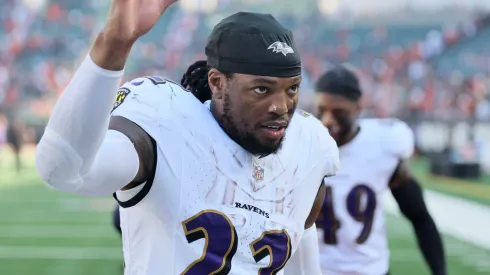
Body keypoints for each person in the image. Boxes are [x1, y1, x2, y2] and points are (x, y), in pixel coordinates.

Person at [35, 0, 340, 274]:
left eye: (292, 89)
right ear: (218, 83)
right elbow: (63, 170)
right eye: (262, 89)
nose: (280, 106)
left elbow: (303, 249)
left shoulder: (307, 148)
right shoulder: (168, 124)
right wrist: (114, 44)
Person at [313, 65, 446, 275]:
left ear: (358, 107)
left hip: (370, 270)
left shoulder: (384, 144)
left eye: (339, 112)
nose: (328, 120)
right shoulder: (300, 144)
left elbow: (420, 217)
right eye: (321, 110)